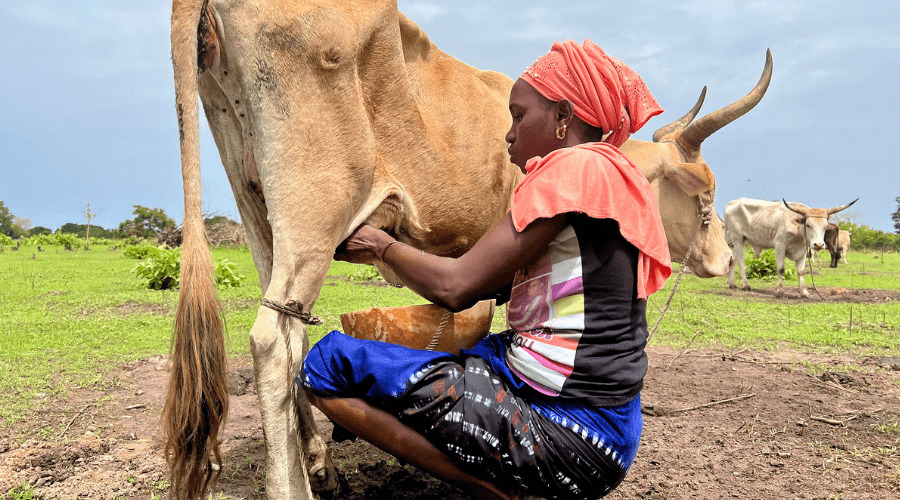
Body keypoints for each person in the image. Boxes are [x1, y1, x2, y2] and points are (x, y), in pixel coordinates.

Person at [297, 39, 672, 500]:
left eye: (518, 115)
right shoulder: (613, 177)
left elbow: (457, 288)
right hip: (609, 427)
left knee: (326, 363)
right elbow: (490, 283)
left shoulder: (571, 171)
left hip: (570, 436)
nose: (509, 134)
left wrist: (381, 245)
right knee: (419, 365)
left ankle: (501, 491)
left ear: (562, 117)